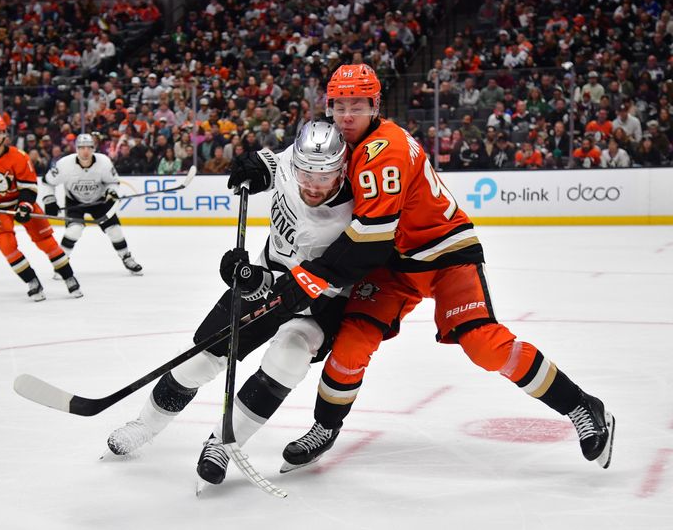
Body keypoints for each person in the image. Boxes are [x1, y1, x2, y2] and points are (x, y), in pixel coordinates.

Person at [232, 64, 616, 473]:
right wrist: (264, 163)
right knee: (351, 344)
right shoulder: (340, 143)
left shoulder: (385, 151)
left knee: (484, 344)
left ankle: (581, 406)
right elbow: (297, 159)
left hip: (443, 253)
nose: (346, 115)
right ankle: (325, 427)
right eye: (339, 106)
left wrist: (310, 278)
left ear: (375, 105)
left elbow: (368, 238)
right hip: (393, 262)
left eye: (357, 105)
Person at [105, 121, 354, 487]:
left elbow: (318, 281)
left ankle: (223, 443)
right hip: (271, 273)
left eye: (325, 177)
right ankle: (144, 425)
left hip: (319, 301)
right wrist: (254, 166)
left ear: (342, 170)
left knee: (287, 360)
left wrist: (254, 279)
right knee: (200, 359)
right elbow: (273, 163)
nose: (313, 185)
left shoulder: (347, 217)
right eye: (305, 174)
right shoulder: (293, 160)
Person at [0, 113, 83, 301]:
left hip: (20, 203)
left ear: (5, 133)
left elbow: (29, 186)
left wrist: (25, 206)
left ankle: (68, 276)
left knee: (46, 242)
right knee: (7, 246)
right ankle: (32, 281)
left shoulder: (19, 156)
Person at [42, 134, 143, 275]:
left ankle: (127, 258)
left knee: (115, 230)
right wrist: (49, 200)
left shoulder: (104, 162)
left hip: (99, 201)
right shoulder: (64, 164)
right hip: (74, 202)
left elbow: (112, 182)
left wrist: (111, 192)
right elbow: (47, 183)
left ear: (94, 148)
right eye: (81, 148)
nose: (85, 151)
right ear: (76, 149)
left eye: (89, 147)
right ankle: (61, 265)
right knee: (74, 230)